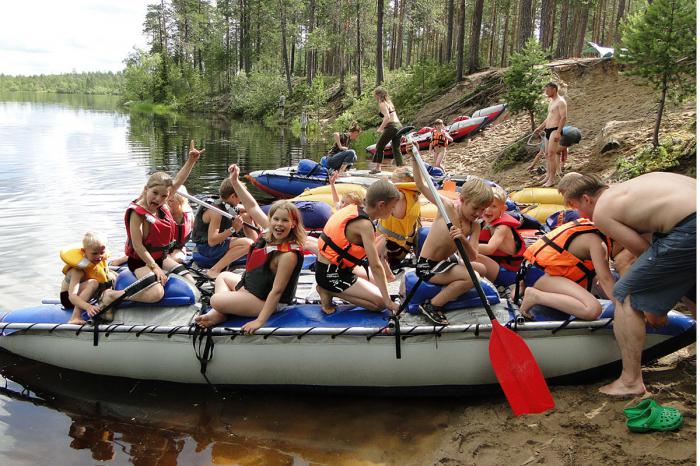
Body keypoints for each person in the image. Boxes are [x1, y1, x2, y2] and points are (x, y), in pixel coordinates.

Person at [557, 172, 696, 396]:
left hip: (689, 228)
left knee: (625, 295)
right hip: (687, 222)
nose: (579, 215)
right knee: (691, 285)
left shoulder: (603, 210)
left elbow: (642, 251)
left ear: (587, 199)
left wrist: (653, 307)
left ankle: (630, 381)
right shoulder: (627, 189)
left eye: (575, 207)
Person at [195, 165, 307, 334]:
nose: (279, 224)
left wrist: (260, 321)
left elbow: (277, 291)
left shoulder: (288, 255)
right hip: (252, 289)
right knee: (223, 277)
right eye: (275, 219)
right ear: (270, 220)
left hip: (265, 301)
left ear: (294, 224)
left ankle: (218, 311)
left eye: (285, 221)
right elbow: (252, 207)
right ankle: (220, 314)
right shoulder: (270, 231)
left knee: (216, 300)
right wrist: (234, 181)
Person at [412, 154, 494, 324]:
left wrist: (462, 238)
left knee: (482, 269)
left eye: (483, 209)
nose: (479, 214)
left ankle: (456, 291)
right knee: (473, 277)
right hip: (429, 265)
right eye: (475, 208)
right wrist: (414, 158)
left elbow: (472, 256)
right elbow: (420, 185)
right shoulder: (447, 208)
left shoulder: (475, 225)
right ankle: (432, 305)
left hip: (448, 260)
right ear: (462, 200)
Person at [123, 140, 201, 303]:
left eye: (164, 196)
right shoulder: (137, 213)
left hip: (162, 257)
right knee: (156, 294)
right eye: (155, 193)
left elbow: (178, 180)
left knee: (191, 282)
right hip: (140, 261)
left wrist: (191, 161)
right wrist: (155, 268)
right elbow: (138, 246)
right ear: (146, 189)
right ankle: (113, 297)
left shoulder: (162, 202)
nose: (159, 199)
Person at [315, 179, 402, 314]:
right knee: (380, 303)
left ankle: (329, 289)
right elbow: (375, 265)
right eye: (392, 208)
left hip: (334, 269)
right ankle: (327, 290)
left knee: (378, 284)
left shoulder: (353, 208)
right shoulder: (364, 225)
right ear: (381, 205)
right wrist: (388, 301)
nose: (393, 212)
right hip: (330, 274)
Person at [516, 217, 616, 320]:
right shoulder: (597, 242)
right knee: (592, 309)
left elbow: (597, 279)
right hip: (540, 274)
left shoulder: (591, 229)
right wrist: (623, 306)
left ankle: (526, 288)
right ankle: (535, 296)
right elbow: (605, 279)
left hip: (536, 271)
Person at [191, 178, 255, 279]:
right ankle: (214, 270)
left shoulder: (226, 203)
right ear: (233, 196)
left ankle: (258, 251)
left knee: (246, 215)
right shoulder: (216, 212)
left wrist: (253, 214)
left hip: (217, 244)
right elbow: (212, 241)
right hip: (206, 247)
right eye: (241, 197)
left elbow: (245, 208)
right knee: (248, 244)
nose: (242, 200)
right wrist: (233, 229)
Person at [60, 231, 124, 324]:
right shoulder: (78, 270)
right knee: (93, 283)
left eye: (101, 252)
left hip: (82, 294)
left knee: (111, 275)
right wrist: (88, 307)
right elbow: (72, 296)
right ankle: (75, 317)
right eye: (94, 253)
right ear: (84, 251)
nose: (99, 256)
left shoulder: (100, 261)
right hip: (69, 299)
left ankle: (107, 300)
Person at [376, 168, 421, 280]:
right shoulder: (414, 195)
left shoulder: (400, 196)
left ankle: (388, 276)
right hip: (400, 247)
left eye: (393, 180)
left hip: (390, 250)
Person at [475, 186, 526, 286]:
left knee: (473, 256)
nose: (488, 210)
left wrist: (464, 246)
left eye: (493, 206)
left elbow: (490, 249)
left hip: (508, 274)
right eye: (485, 206)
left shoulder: (502, 227)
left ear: (503, 209)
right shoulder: (482, 222)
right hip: (496, 266)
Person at [534, 82, 567, 187]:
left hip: (555, 130)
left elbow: (563, 117)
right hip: (548, 130)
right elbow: (548, 118)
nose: (546, 92)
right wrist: (540, 127)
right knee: (547, 155)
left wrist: (558, 132)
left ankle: (552, 179)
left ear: (554, 89)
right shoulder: (551, 102)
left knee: (551, 154)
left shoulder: (561, 102)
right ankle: (548, 176)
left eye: (547, 90)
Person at [370, 87, 404, 173]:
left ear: (378, 95)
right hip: (399, 126)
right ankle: (401, 168)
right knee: (396, 148)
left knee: (379, 146)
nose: (375, 97)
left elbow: (387, 117)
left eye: (375, 95)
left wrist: (380, 128)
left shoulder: (382, 104)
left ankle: (378, 168)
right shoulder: (389, 103)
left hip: (391, 126)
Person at [166, 185, 194, 263]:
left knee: (177, 259)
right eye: (166, 200)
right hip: (162, 249)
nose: (168, 203)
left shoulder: (188, 214)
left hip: (178, 248)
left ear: (181, 201)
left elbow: (195, 230)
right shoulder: (162, 213)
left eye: (171, 201)